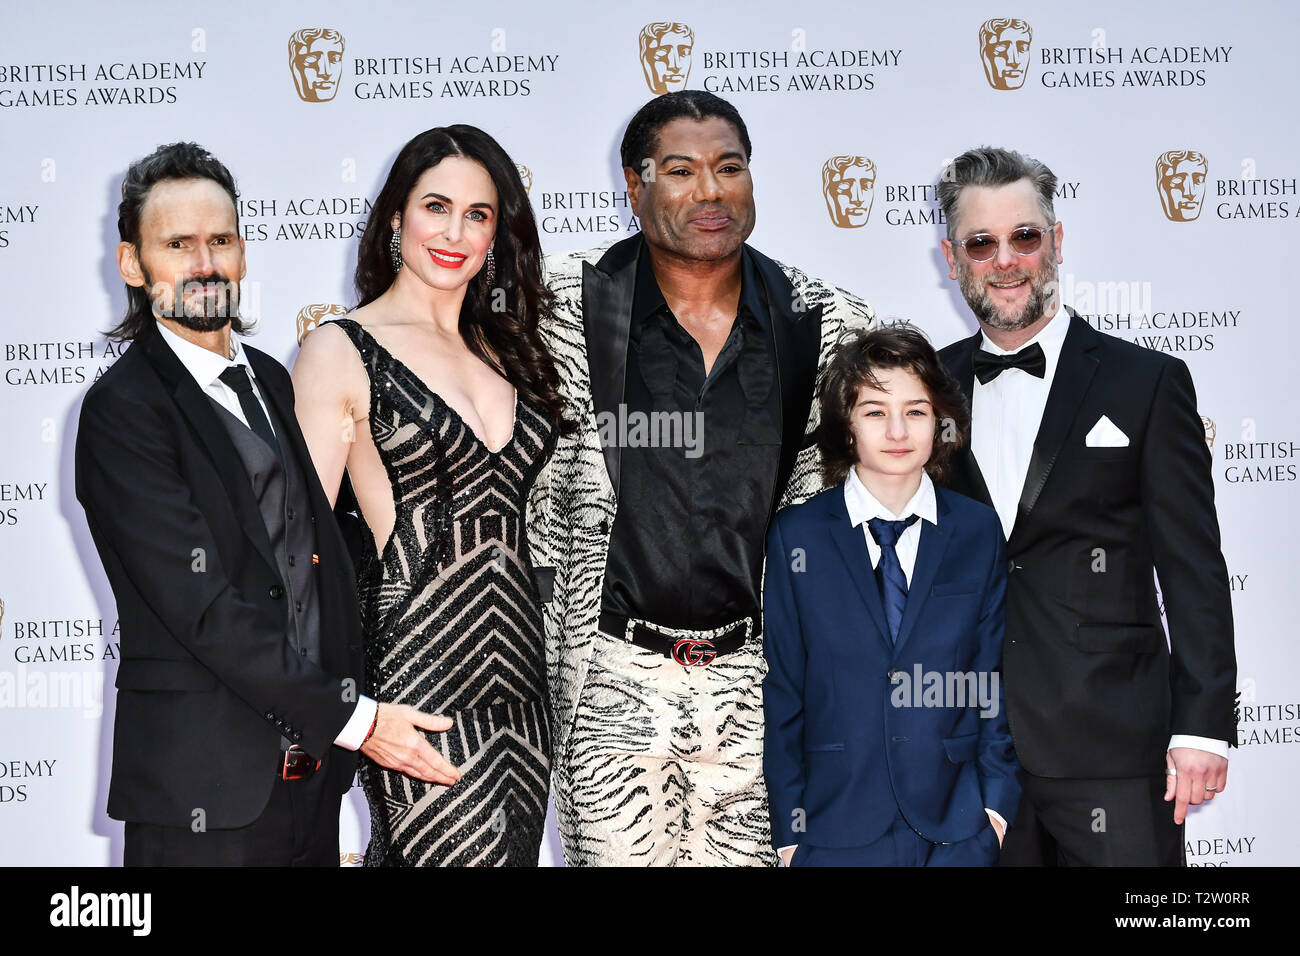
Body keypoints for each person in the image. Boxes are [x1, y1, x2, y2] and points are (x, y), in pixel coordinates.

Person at [75, 142, 454, 866]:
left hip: (310, 786)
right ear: (133, 265)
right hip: (202, 799)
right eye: (177, 245)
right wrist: (357, 718)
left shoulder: (275, 381)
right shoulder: (122, 410)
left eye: (219, 240)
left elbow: (317, 557)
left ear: (243, 251)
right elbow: (202, 608)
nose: (205, 264)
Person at [528, 90, 875, 866]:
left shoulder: (826, 323)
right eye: (679, 170)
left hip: (759, 683)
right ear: (634, 184)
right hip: (610, 682)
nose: (710, 191)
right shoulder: (551, 308)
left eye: (730, 168)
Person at [936, 145, 1237, 866]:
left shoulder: (1148, 382)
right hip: (969, 756)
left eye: (1025, 237)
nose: (1005, 260)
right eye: (982, 243)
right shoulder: (927, 388)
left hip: (1117, 752)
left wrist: (1201, 727)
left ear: (1057, 242)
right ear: (952, 259)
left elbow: (1192, 566)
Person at [293, 125, 569, 866]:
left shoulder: (508, 349)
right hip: (419, 672)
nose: (455, 232)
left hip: (520, 684)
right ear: (395, 217)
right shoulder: (339, 348)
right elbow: (298, 551)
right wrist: (350, 711)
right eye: (435, 207)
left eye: (478, 214)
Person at [763, 324, 1019, 866]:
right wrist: (790, 832)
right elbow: (785, 688)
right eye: (876, 411)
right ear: (847, 426)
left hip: (956, 826)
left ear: (938, 422)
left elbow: (992, 676)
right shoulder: (798, 535)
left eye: (917, 411)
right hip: (834, 827)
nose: (897, 429)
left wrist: (995, 809)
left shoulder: (977, 531)